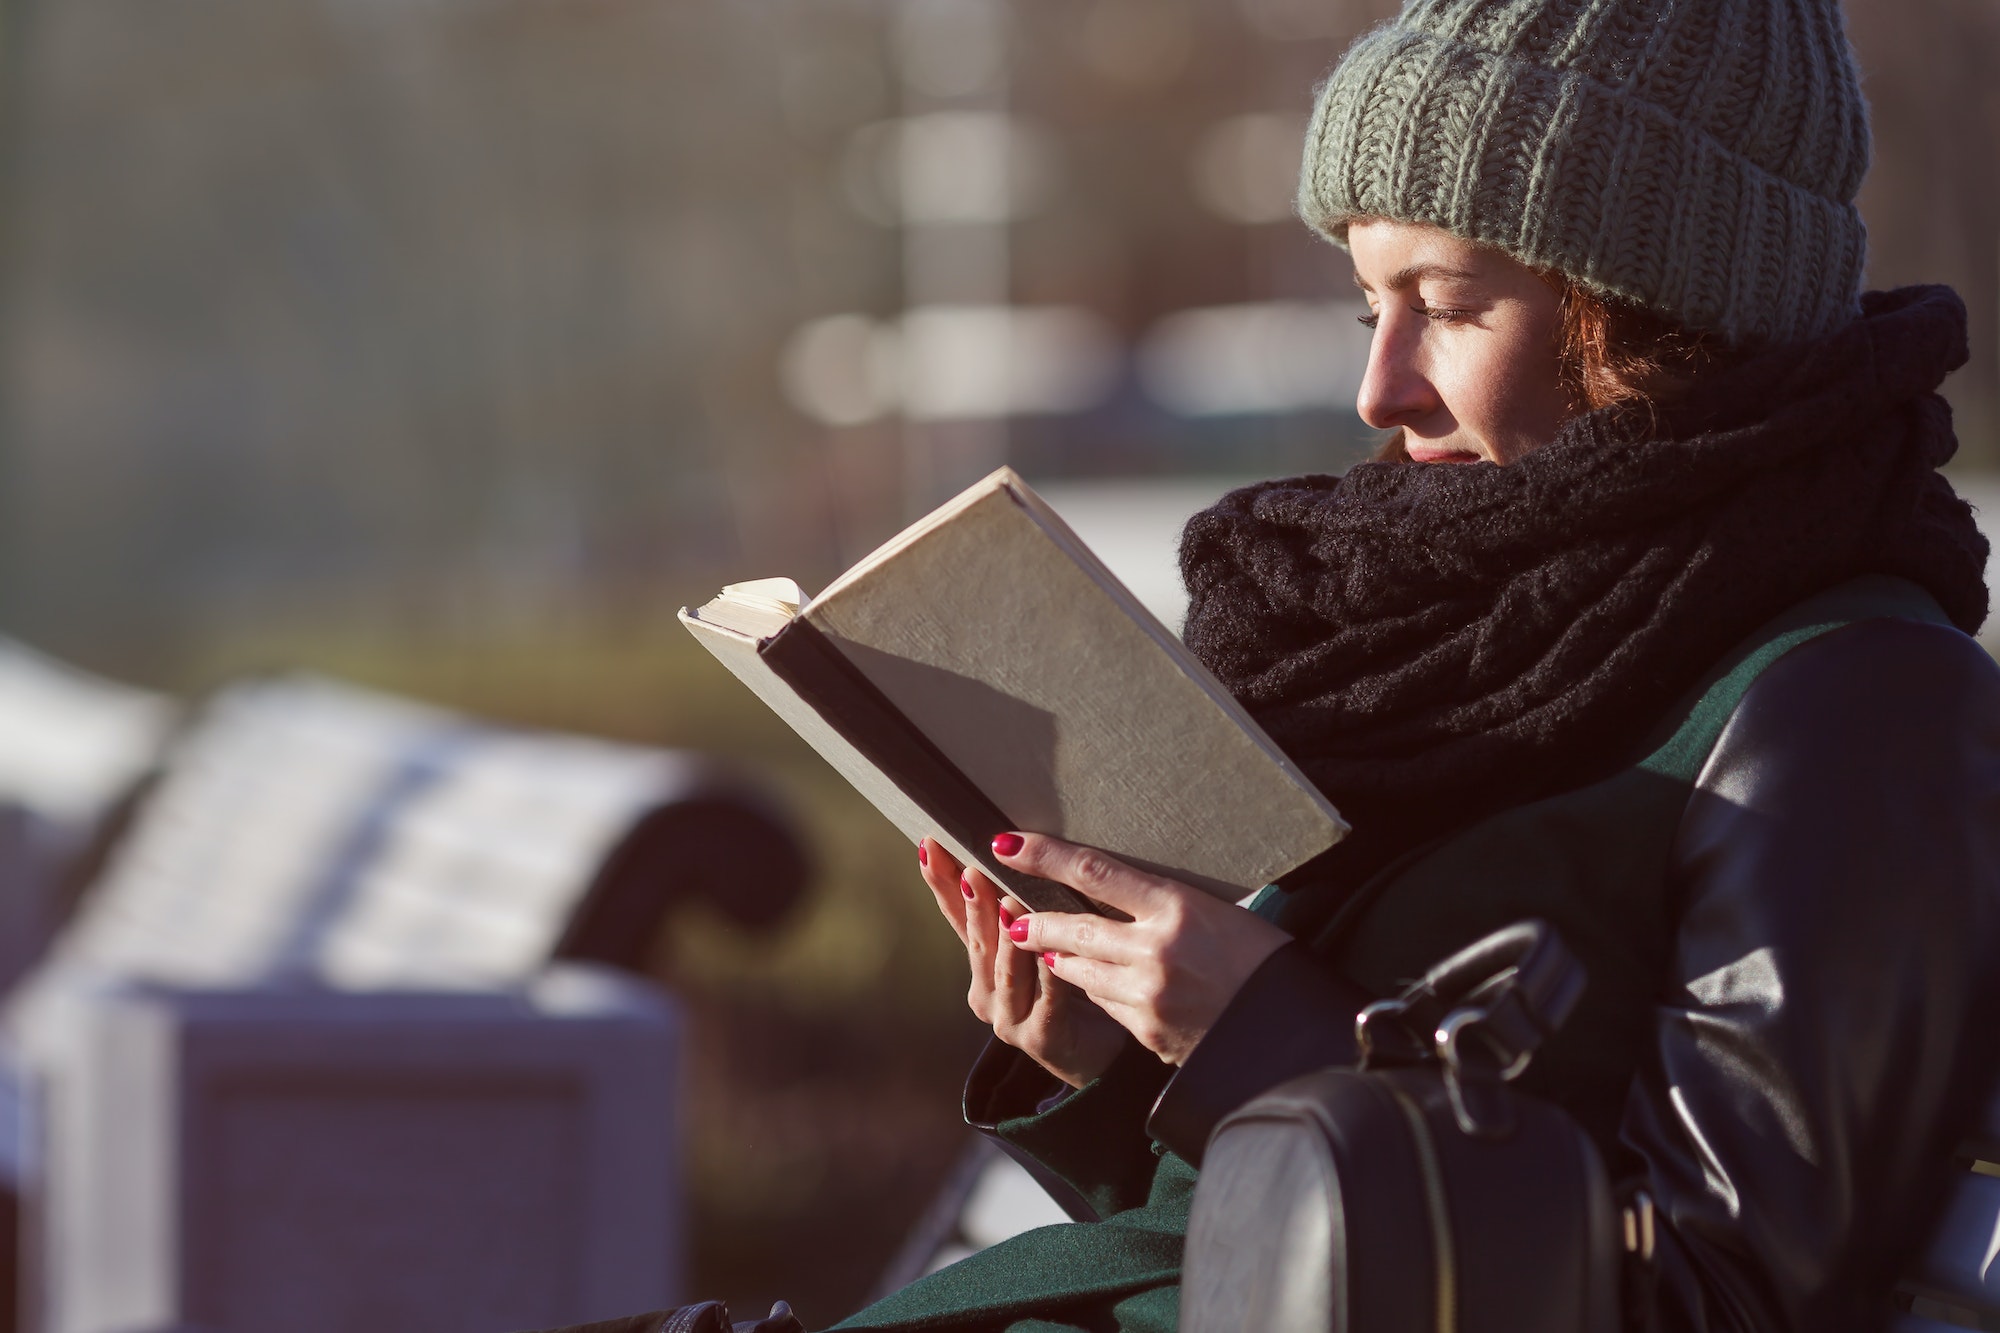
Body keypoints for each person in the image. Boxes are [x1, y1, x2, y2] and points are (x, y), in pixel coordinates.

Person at [536, 0, 2000, 1328]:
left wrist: (1261, 1037)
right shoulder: (1459, 628)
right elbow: (1253, 1249)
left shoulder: (1855, 699)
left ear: (1659, 306)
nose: (1379, 386)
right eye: (1371, 307)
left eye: (1450, 303)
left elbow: (1717, 1301)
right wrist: (1117, 1063)